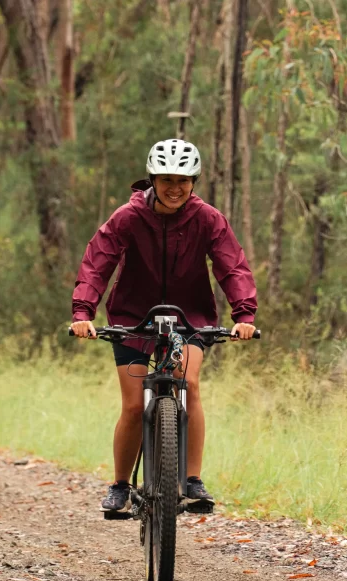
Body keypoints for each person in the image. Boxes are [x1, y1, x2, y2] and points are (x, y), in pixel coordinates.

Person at [70, 138, 258, 512]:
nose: (175, 188)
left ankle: (192, 480)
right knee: (133, 405)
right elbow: (98, 261)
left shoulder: (208, 219)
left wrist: (244, 316)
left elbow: (232, 266)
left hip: (191, 317)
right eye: (167, 179)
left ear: (194, 181)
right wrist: (83, 313)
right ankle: (121, 486)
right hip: (131, 317)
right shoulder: (128, 216)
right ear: (152, 179)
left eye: (184, 180)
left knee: (188, 382)